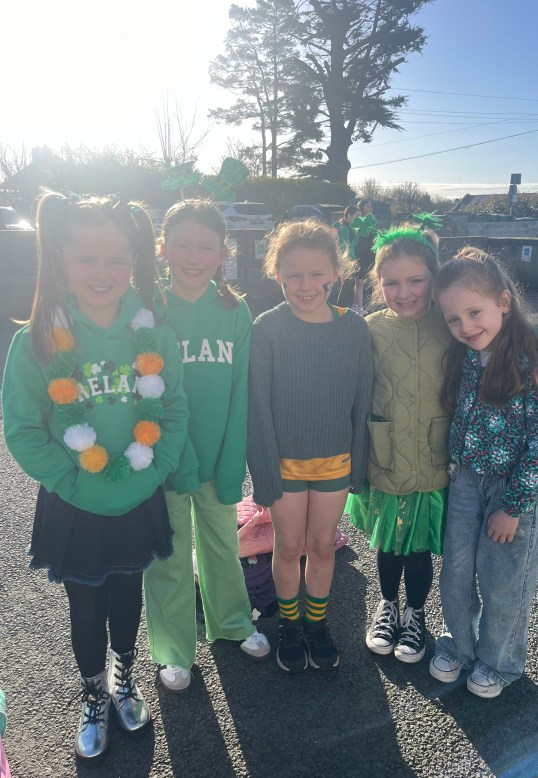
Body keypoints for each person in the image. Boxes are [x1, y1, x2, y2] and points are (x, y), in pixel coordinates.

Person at [1, 191, 188, 759]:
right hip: (75, 500)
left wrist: (153, 471)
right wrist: (72, 482)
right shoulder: (36, 339)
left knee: (128, 593)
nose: (102, 273)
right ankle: (91, 693)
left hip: (138, 492)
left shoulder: (155, 333)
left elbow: (174, 409)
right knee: (85, 607)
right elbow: (23, 429)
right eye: (86, 259)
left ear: (134, 261)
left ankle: (124, 678)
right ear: (60, 258)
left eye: (116, 259)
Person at [143, 200, 270, 694]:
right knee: (169, 554)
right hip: (166, 460)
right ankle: (174, 649)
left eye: (206, 247)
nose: (193, 257)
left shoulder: (235, 310)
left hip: (217, 458)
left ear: (223, 253)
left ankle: (233, 622)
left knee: (222, 545)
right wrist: (167, 456)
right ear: (162, 249)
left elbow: (241, 392)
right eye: (182, 246)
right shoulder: (148, 308)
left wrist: (232, 458)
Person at [430, 247, 538, 699]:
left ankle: (499, 660)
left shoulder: (535, 354)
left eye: (475, 312)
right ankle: (459, 644)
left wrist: (514, 506)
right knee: (456, 570)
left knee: (504, 578)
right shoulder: (467, 354)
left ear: (503, 302)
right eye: (453, 319)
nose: (466, 326)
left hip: (511, 489)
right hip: (467, 478)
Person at [248, 219, 373, 672]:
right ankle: (289, 624)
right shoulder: (266, 328)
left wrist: (359, 466)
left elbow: (362, 402)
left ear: (335, 274)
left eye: (316, 273)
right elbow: (257, 408)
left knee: (321, 545)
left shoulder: (354, 329)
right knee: (287, 546)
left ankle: (316, 623)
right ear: (277, 274)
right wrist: (263, 473)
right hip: (283, 465)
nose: (305, 285)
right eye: (294, 275)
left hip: (335, 461)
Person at [348, 217, 451, 663]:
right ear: (378, 283)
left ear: (434, 277)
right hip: (385, 455)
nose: (404, 292)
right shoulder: (369, 328)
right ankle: (388, 605)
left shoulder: (451, 325)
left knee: (420, 546)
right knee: (388, 542)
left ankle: (415, 613)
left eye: (416, 281)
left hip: (433, 455)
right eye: (391, 283)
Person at [352, 199, 378, 315]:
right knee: (359, 282)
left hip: (372, 255)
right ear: (362, 208)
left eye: (371, 206)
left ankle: (372, 306)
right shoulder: (357, 222)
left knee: (373, 281)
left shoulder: (373, 222)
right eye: (368, 206)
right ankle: (359, 308)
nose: (370, 208)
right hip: (360, 255)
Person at [333, 205, 359, 307]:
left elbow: (354, 244)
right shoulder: (344, 229)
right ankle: (339, 308)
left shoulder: (348, 228)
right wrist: (347, 263)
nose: (358, 219)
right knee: (346, 287)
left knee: (348, 286)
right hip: (348, 261)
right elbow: (344, 248)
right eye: (356, 216)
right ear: (349, 215)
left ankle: (340, 308)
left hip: (350, 260)